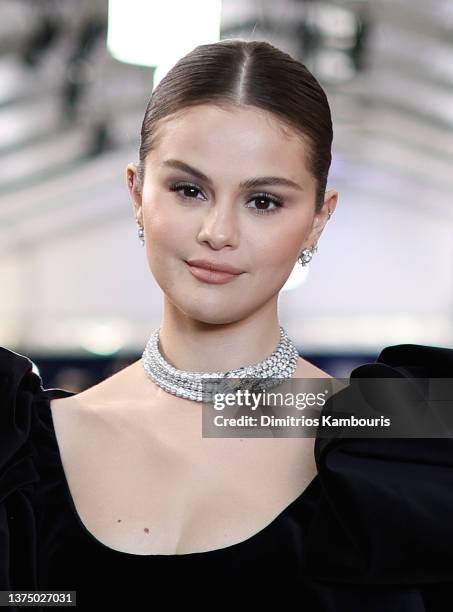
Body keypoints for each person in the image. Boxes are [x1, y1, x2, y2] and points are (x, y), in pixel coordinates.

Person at [1, 39, 452, 610]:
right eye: (188, 190)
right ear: (138, 193)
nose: (218, 231)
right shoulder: (22, 448)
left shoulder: (402, 447)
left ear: (319, 218)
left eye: (263, 201)